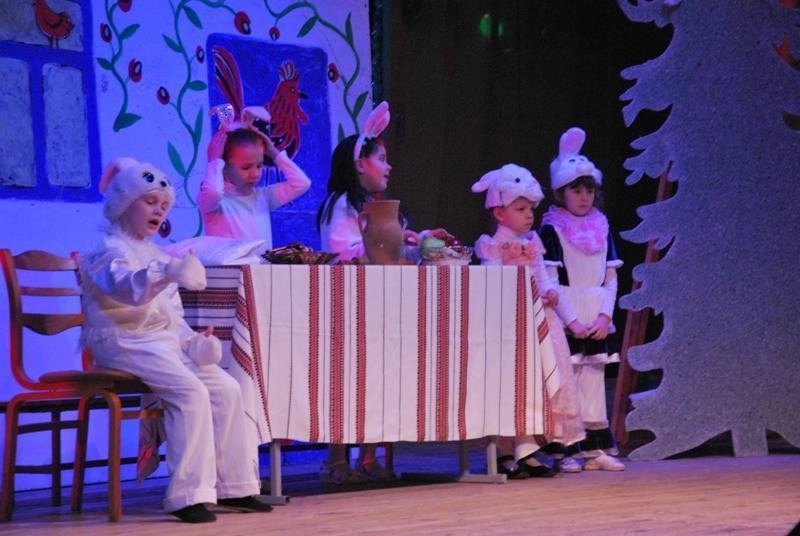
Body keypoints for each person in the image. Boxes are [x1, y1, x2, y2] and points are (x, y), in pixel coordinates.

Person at [80, 157, 272, 523]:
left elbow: (173, 319)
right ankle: (188, 494)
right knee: (190, 391)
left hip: (158, 344)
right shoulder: (108, 251)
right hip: (121, 340)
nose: (158, 211)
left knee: (226, 387)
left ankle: (234, 486)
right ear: (124, 203)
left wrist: (195, 344)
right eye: (149, 201)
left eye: (164, 205)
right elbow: (127, 289)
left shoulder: (157, 254)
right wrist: (167, 271)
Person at [472, 163, 584, 478]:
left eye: (530, 209)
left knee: (538, 386)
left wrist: (552, 296)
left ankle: (530, 447)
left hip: (539, 323)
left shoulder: (533, 242)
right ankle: (505, 451)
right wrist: (527, 293)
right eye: (520, 209)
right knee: (512, 386)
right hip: (511, 325)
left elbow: (543, 277)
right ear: (500, 213)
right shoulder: (493, 245)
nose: (528, 215)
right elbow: (494, 282)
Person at [538, 126, 626, 471]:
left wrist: (605, 316)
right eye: (576, 189)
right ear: (561, 192)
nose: (584, 196)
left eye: (589, 189)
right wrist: (572, 321)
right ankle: (566, 449)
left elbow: (611, 278)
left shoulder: (602, 227)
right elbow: (551, 280)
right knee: (568, 383)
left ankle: (593, 450)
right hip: (567, 314)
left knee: (593, 380)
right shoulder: (552, 229)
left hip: (596, 312)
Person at [199, 106, 311, 248]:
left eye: (259, 166)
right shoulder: (216, 203)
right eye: (246, 167)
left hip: (262, 264)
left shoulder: (263, 197)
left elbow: (302, 183)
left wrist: (273, 152)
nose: (256, 174)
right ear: (224, 167)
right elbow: (213, 192)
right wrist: (214, 160)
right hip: (228, 264)